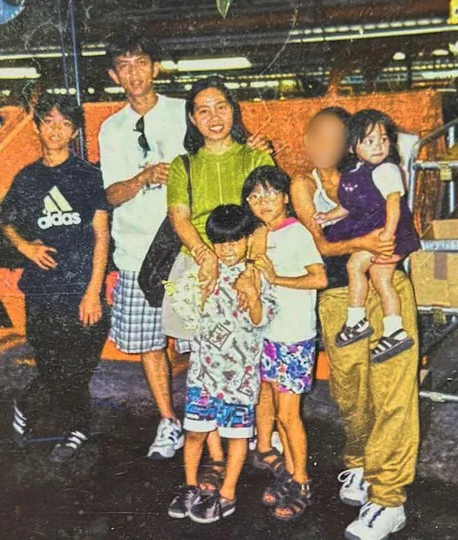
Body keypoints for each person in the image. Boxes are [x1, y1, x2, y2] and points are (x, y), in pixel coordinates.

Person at [99, 36, 272, 459]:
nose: (134, 73)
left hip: (192, 255)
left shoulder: (186, 109)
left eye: (142, 62)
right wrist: (142, 179)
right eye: (124, 65)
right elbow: (110, 194)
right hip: (142, 255)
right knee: (149, 343)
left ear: (155, 67)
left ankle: (224, 425)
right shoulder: (111, 128)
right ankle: (169, 422)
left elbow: (230, 147)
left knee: (205, 343)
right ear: (113, 75)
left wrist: (257, 150)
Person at [291, 107, 420, 539]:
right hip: (338, 296)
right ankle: (361, 463)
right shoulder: (303, 184)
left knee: (393, 392)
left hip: (386, 287)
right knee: (351, 392)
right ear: (306, 141)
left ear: (350, 141)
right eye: (318, 137)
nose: (326, 145)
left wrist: (383, 242)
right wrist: (365, 241)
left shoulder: (372, 172)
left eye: (336, 137)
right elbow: (323, 244)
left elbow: (396, 217)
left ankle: (388, 499)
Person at [163, 75, 275, 490]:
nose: (214, 117)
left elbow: (266, 216)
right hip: (195, 266)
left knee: (252, 357)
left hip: (244, 263)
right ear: (192, 118)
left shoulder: (255, 158)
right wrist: (205, 256)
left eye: (221, 107)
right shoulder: (183, 164)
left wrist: (250, 267)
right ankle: (212, 454)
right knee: (200, 360)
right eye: (203, 110)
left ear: (234, 110)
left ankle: (254, 443)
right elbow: (179, 216)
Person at [1, 94, 111, 464]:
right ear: (36, 127)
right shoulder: (27, 178)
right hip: (41, 291)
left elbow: (101, 234)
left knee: (77, 365)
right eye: (48, 121)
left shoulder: (87, 175)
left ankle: (29, 404)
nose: (56, 130)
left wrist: (93, 292)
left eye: (65, 123)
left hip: (80, 289)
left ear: (75, 131)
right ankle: (76, 428)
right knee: (51, 365)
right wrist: (25, 247)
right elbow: (6, 221)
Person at [166, 204, 275, 524]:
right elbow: (189, 316)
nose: (228, 249)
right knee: (195, 433)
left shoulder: (256, 276)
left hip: (239, 378)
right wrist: (199, 292)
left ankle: (227, 493)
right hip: (203, 374)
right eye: (221, 243)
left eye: (235, 241)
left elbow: (261, 321)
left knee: (237, 437)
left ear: (246, 241)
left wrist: (252, 293)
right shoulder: (202, 274)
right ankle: (189, 487)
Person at [244, 166, 327, 521]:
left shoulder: (296, 234)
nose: (262, 202)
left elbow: (320, 277)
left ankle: (302, 480)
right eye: (254, 196)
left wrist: (278, 279)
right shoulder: (259, 234)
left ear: (285, 198)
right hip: (267, 335)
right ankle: (285, 470)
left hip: (293, 337)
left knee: (289, 415)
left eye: (270, 194)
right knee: (271, 404)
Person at [314, 109, 420, 364]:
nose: (379, 146)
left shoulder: (386, 170)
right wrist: (329, 216)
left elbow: (394, 204)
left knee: (362, 269)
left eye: (384, 140)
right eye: (369, 141)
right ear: (352, 147)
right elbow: (350, 205)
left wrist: (387, 235)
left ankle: (361, 322)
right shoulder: (355, 173)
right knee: (378, 277)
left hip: (388, 233)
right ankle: (389, 328)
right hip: (375, 231)